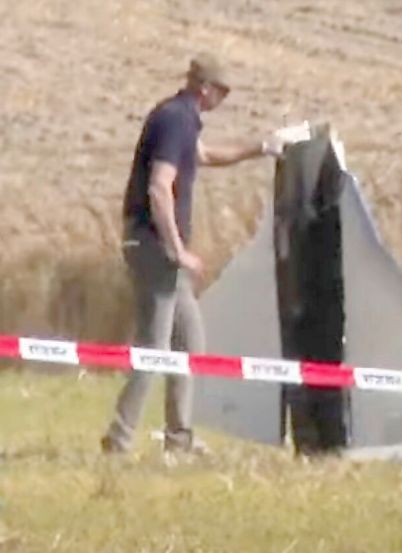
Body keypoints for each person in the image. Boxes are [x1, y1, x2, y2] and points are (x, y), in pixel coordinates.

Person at [102, 54, 303, 457]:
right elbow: (160, 187)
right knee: (155, 349)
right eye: (222, 91)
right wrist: (177, 249)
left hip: (163, 251)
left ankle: (179, 439)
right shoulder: (176, 118)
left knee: (190, 342)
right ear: (205, 88)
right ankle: (119, 439)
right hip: (155, 248)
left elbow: (204, 156)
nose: (223, 99)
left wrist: (263, 147)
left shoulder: (182, 119)